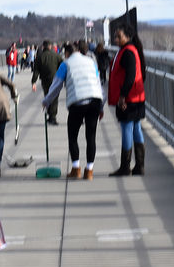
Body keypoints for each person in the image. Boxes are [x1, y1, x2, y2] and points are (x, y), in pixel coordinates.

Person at [41, 40, 105, 180]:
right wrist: (101, 106)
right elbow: (98, 83)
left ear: (67, 53)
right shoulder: (91, 62)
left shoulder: (66, 64)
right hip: (94, 100)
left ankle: (76, 168)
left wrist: (46, 101)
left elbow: (56, 85)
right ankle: (89, 171)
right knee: (91, 136)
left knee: (73, 136)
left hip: (77, 102)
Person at [108, 22, 147, 177]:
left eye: (119, 36)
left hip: (129, 99)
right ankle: (139, 166)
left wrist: (122, 96)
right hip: (137, 97)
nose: (116, 39)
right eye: (115, 36)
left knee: (126, 128)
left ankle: (125, 167)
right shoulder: (132, 50)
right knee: (136, 128)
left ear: (128, 36)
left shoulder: (127, 52)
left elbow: (130, 77)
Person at [32, 40, 63, 124]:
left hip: (45, 80)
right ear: (50, 46)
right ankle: (53, 116)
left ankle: (50, 115)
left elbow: (36, 71)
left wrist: (33, 82)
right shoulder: (56, 55)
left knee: (47, 96)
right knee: (54, 97)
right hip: (56, 79)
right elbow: (63, 66)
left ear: (43, 46)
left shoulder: (39, 57)